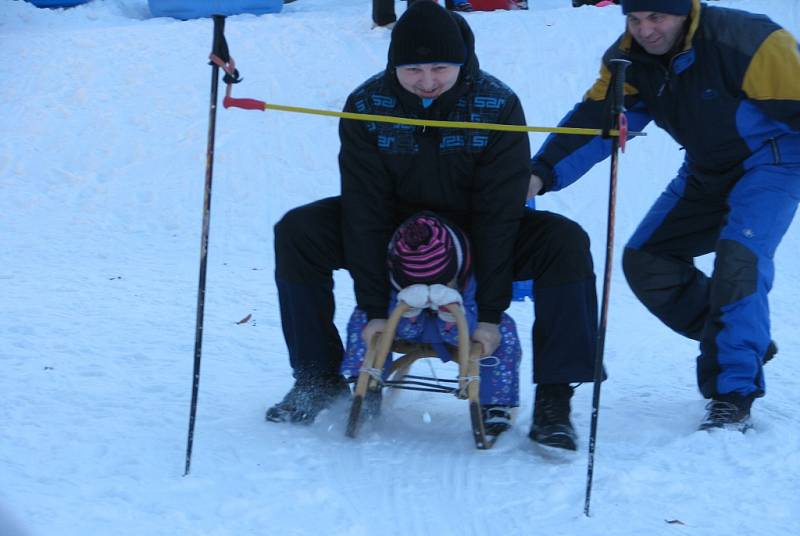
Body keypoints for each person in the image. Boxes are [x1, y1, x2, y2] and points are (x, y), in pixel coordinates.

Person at [269, 0, 600, 450]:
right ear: (393, 66)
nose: (427, 81)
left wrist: (489, 315)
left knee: (565, 242)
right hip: (393, 230)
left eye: (440, 68)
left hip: (480, 231)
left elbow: (500, 213)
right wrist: (374, 311)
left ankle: (555, 399)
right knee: (299, 230)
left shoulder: (496, 103)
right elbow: (364, 209)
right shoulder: (368, 103)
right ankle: (315, 375)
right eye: (413, 70)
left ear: (461, 62)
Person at [528, 0, 800, 431]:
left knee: (739, 257)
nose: (645, 30)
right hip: (706, 169)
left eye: (657, 18)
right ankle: (739, 340)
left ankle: (732, 392)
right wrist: (539, 174)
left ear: (685, 12)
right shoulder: (627, 60)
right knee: (646, 260)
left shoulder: (751, 41)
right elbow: (597, 121)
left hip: (772, 161)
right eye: (635, 19)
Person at [339, 212, 522, 435]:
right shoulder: (392, 272)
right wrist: (408, 309)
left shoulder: (468, 275)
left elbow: (478, 318)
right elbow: (381, 311)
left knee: (504, 330)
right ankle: (366, 381)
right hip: (406, 327)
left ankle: (496, 402)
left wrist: (451, 313)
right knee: (364, 318)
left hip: (457, 331)